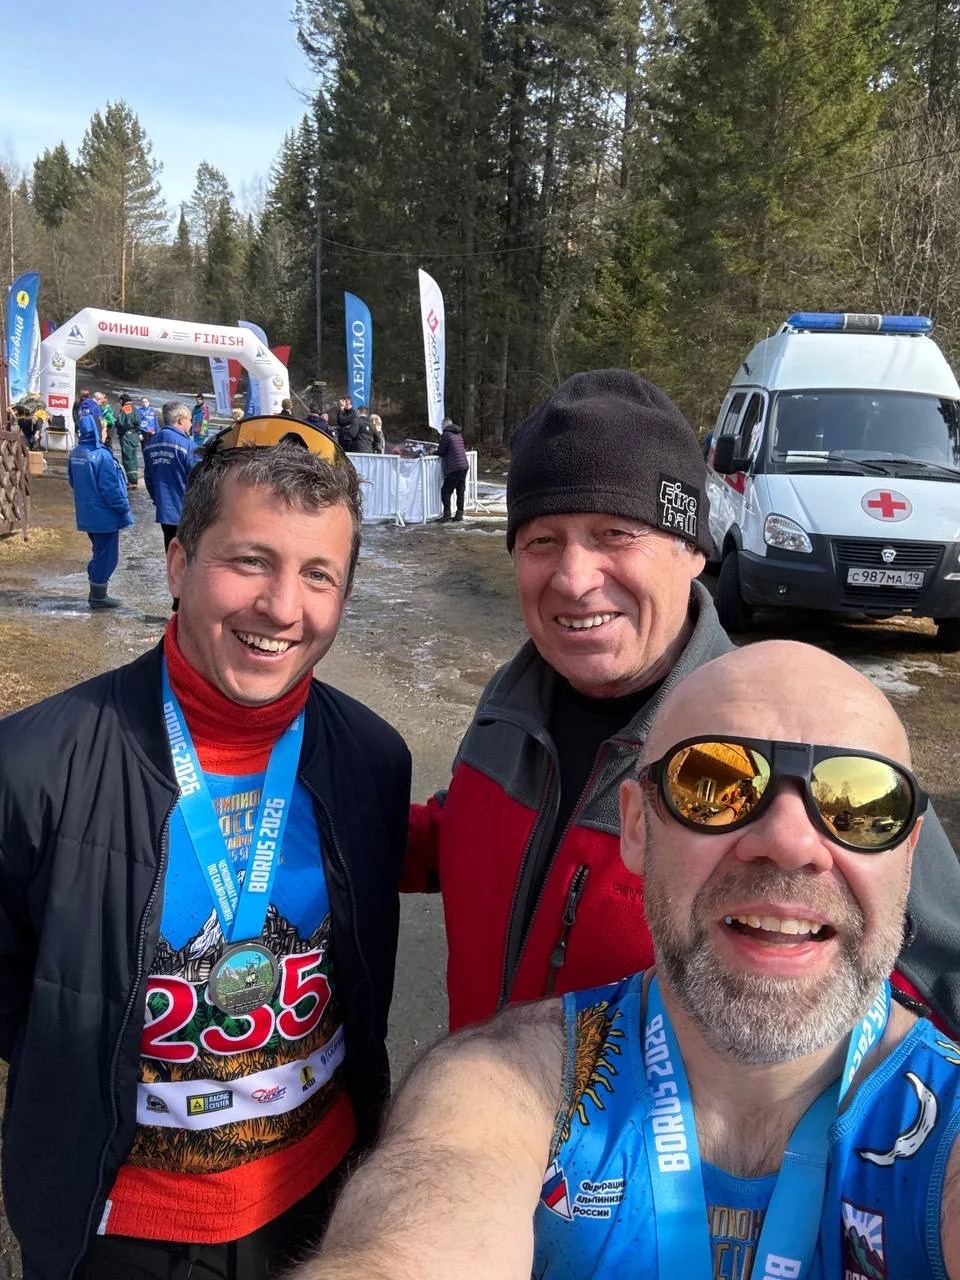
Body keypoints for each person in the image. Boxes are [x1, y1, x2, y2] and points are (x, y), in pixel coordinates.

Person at [295, 642, 960, 1280]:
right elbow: (419, 1225)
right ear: (637, 828)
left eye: (861, 804)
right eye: (712, 785)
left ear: (908, 853)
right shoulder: (511, 1082)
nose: (789, 842)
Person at [403, 369, 960, 1036]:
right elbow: (484, 832)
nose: (573, 579)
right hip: (480, 1090)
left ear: (692, 549)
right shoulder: (514, 695)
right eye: (541, 541)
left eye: (615, 534)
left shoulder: (805, 737)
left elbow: (941, 982)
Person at [0, 436, 412, 1280]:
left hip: (320, 1201)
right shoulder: (31, 767)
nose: (282, 607)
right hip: (119, 1226)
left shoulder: (374, 759)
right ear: (179, 563)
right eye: (250, 561)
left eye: (319, 575)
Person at [67, 408, 133, 609]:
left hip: (87, 513)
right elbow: (110, 488)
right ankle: (98, 596)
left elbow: (73, 481)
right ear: (97, 431)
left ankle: (96, 593)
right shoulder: (101, 456)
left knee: (99, 551)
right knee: (107, 556)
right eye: (104, 429)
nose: (106, 433)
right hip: (105, 515)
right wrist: (123, 507)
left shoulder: (76, 453)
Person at [143, 401, 201, 608]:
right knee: (193, 558)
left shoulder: (151, 443)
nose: (190, 424)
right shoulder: (188, 446)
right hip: (187, 513)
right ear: (181, 420)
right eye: (189, 420)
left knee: (173, 557)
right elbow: (200, 479)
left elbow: (149, 479)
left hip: (165, 512)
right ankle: (189, 604)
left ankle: (177, 601)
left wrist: (158, 500)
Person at [436, 416, 468, 522]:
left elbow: (441, 451)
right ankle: (459, 514)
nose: (441, 427)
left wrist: (432, 452)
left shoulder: (446, 435)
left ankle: (447, 515)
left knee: (446, 491)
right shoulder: (458, 434)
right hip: (464, 465)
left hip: (454, 467)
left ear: (445, 425)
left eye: (442, 425)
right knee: (460, 490)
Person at [116, 391, 141, 487]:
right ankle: (134, 478)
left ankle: (132, 481)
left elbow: (121, 422)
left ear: (122, 400)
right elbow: (138, 421)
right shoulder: (135, 408)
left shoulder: (126, 408)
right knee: (134, 458)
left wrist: (116, 424)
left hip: (127, 435)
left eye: (120, 401)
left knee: (128, 457)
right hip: (134, 435)